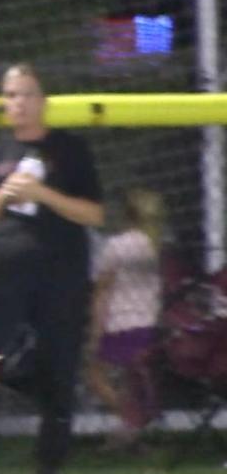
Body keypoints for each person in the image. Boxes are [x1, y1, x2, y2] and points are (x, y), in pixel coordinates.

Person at [0, 62, 104, 474]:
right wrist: (2, 197)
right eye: (10, 95)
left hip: (62, 275)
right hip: (7, 273)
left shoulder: (71, 150)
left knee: (60, 366)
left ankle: (49, 469)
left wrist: (43, 195)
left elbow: (93, 213)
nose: (17, 103)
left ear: (42, 100)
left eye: (25, 94)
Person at [87, 188, 164, 450]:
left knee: (96, 375)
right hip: (149, 322)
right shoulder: (154, 244)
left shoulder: (117, 246)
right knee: (132, 380)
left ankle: (131, 421)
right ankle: (129, 429)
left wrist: (96, 331)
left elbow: (103, 291)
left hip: (121, 322)